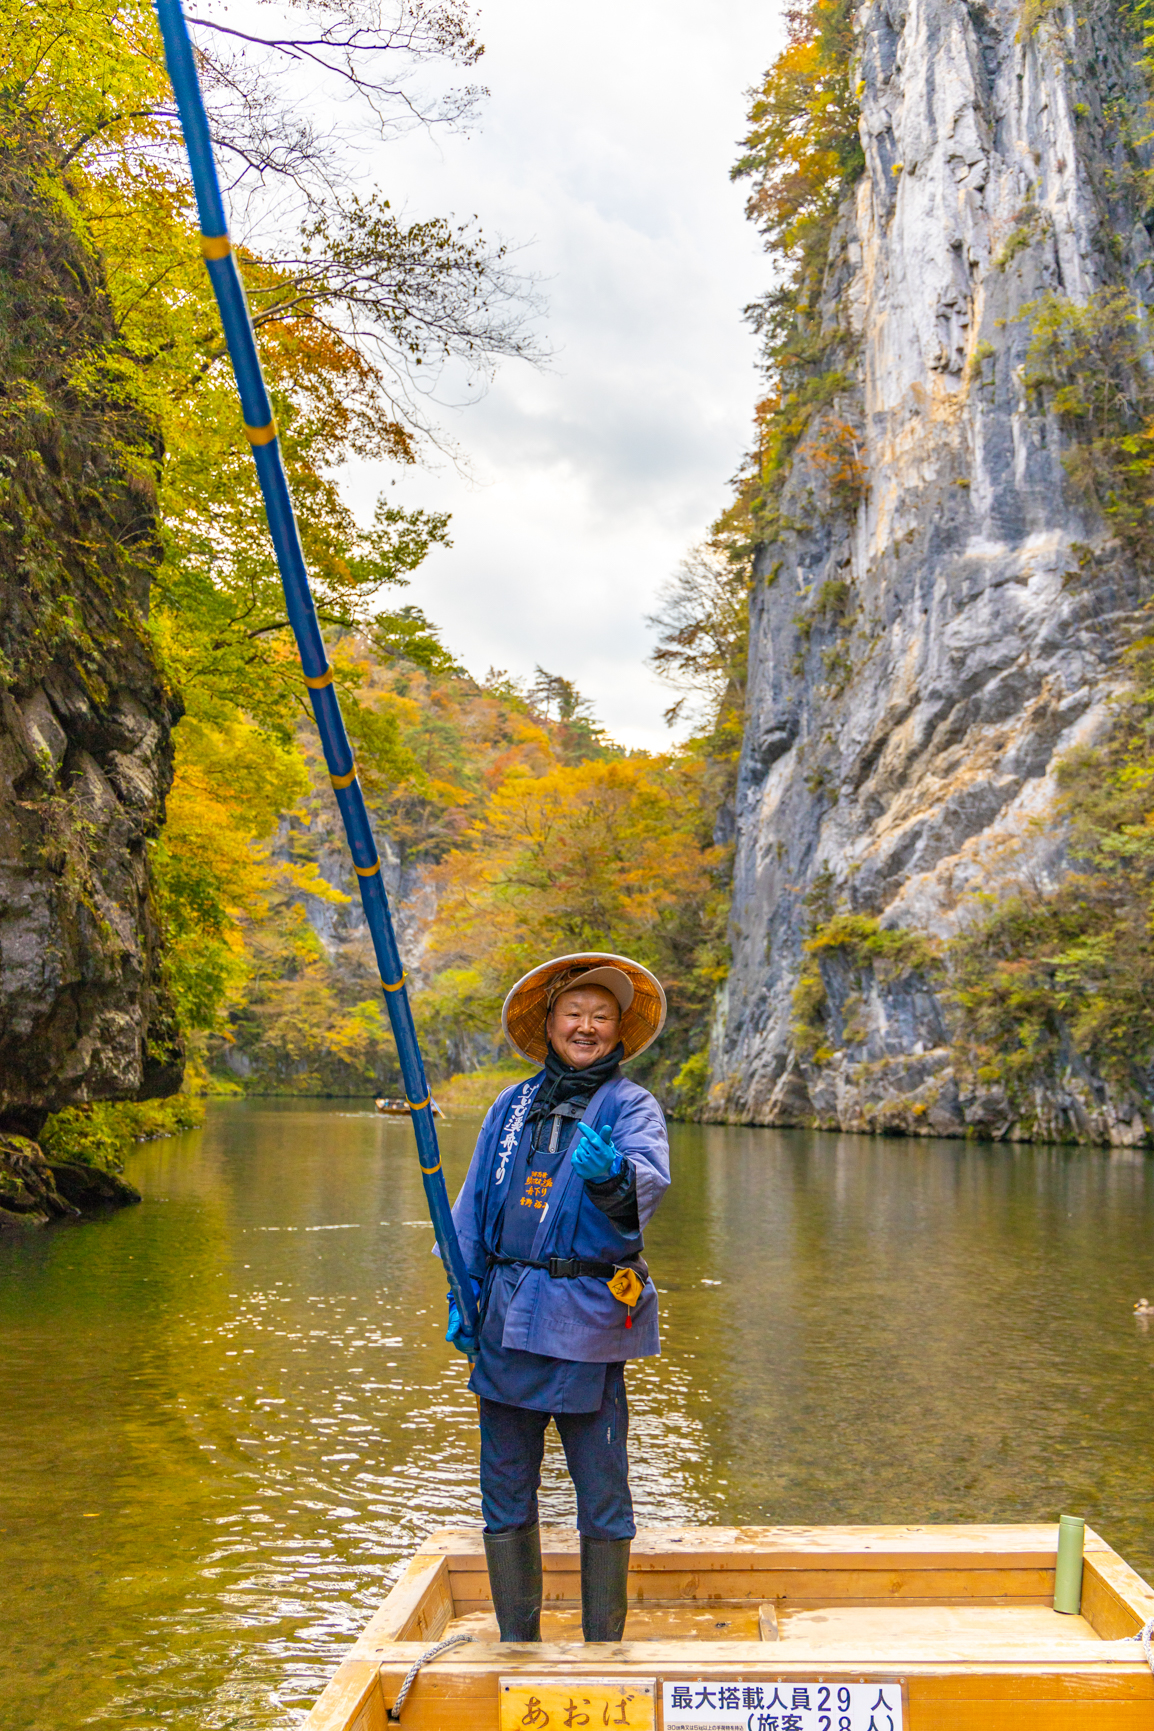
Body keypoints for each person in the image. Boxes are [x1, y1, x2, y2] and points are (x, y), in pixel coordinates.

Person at [442, 952, 670, 1644]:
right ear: (549, 1022)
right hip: (508, 1315)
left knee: (602, 1488)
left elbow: (646, 1185)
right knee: (504, 1484)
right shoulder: (508, 1108)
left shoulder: (632, 1106)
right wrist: (463, 1289)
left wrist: (611, 1176)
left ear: (618, 1029)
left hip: (590, 1320)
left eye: (602, 1015)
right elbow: (475, 1204)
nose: (588, 1026)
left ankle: (604, 1646)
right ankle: (518, 1640)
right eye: (575, 1012)